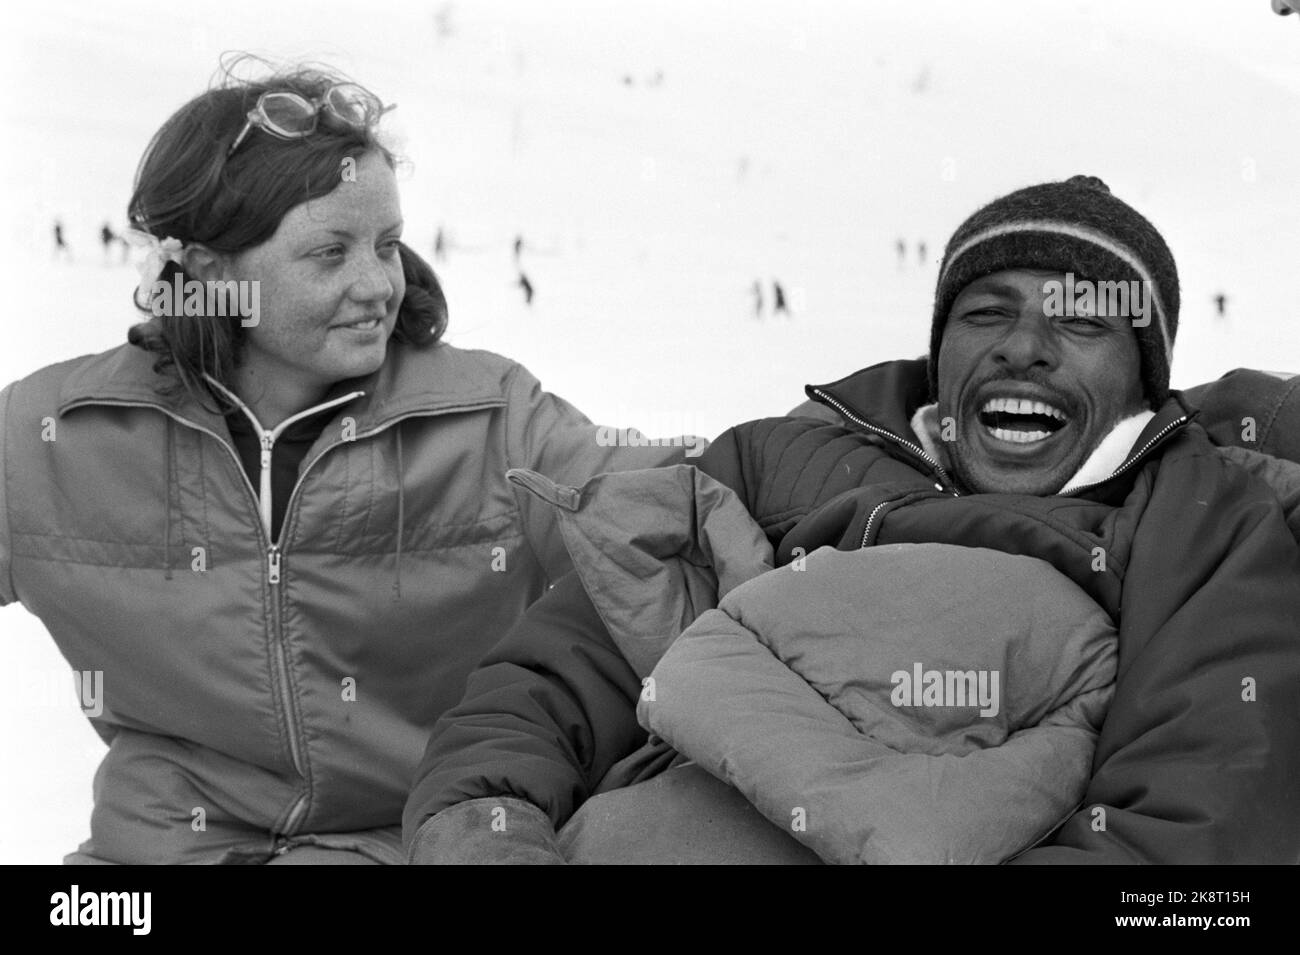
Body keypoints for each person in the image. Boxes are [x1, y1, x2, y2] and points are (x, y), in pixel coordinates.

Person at [403, 175, 1300, 864]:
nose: (1023, 345)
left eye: (1082, 323)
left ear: (1144, 379)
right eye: (987, 311)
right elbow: (558, 672)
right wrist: (485, 825)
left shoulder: (1195, 521)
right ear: (939, 349)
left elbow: (1202, 823)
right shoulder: (780, 463)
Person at [0, 61, 689, 865]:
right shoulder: (58, 432)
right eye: (330, 252)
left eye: (388, 245)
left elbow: (657, 508)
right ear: (212, 270)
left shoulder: (487, 416)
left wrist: (806, 476)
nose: (377, 284)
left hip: (413, 842)